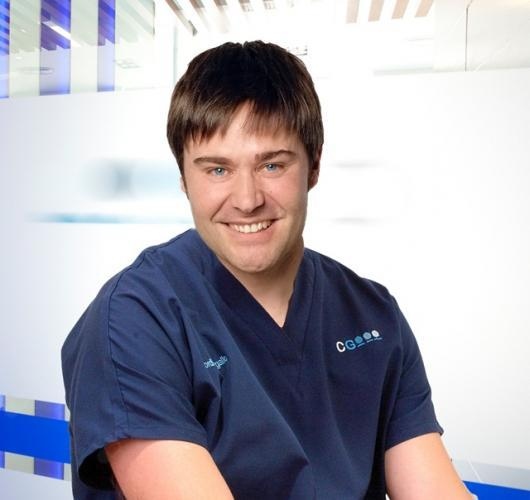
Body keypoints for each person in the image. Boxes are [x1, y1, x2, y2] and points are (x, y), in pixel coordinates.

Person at [62, 40, 473, 499]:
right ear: (183, 178)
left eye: (272, 165)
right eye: (217, 170)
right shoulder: (134, 318)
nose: (246, 199)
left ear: (314, 165)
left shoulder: (373, 315)